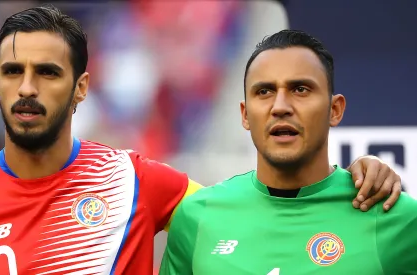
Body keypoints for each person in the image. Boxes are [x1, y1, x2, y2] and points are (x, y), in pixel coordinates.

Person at [0, 6, 403, 275]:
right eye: (13, 72)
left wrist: (348, 178)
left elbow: (257, 207)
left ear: (81, 87)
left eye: (48, 73)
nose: (27, 88)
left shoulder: (135, 181)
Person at [159, 29, 417, 275]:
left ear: (335, 110)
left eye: (300, 89)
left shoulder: (399, 220)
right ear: (245, 114)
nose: (280, 106)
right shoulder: (196, 218)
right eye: (264, 91)